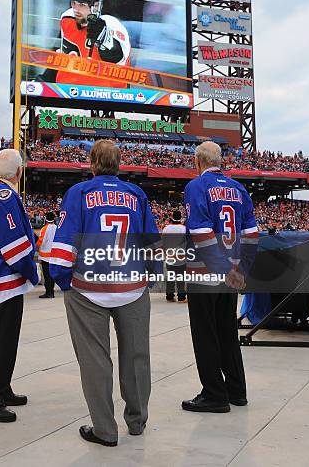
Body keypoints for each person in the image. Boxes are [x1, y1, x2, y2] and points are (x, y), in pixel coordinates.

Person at [50, 140, 160, 447]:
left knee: (95, 361)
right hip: (132, 286)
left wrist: (62, 280)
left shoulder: (79, 193)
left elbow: (63, 247)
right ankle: (137, 422)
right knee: (137, 357)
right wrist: (151, 276)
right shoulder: (136, 194)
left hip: (89, 289)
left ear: (92, 163)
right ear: (119, 163)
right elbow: (152, 243)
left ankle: (105, 430)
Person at [182, 141, 259, 413]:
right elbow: (252, 235)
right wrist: (240, 271)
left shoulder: (196, 187)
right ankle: (237, 390)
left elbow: (202, 235)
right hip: (232, 273)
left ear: (197, 162)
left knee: (205, 334)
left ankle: (214, 393)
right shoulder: (239, 189)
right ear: (220, 162)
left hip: (206, 272)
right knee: (227, 331)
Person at [0, 149, 39, 423]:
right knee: (1, 342)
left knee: (0, 341)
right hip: (4, 282)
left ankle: (1, 388)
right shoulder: (4, 197)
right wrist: (32, 273)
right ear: (18, 172)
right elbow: (14, 247)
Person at [43, 0, 131, 87]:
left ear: (96, 5)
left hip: (102, 95)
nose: (76, 9)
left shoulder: (113, 25)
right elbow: (61, 56)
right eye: (73, 3)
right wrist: (44, 79)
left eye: (82, 4)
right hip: (66, 92)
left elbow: (117, 61)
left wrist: (104, 39)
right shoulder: (67, 18)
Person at [163, 209, 187, 303]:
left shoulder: (166, 229)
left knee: (170, 277)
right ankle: (181, 297)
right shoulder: (184, 229)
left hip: (169, 256)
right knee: (181, 277)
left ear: (172, 217)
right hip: (181, 256)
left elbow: (163, 243)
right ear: (181, 218)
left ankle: (169, 296)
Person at [36, 211, 57, 298]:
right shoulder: (57, 228)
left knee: (47, 275)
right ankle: (51, 290)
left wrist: (36, 248)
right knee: (52, 275)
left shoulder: (44, 229)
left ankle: (49, 292)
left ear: (46, 219)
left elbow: (40, 241)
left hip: (45, 256)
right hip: (55, 255)